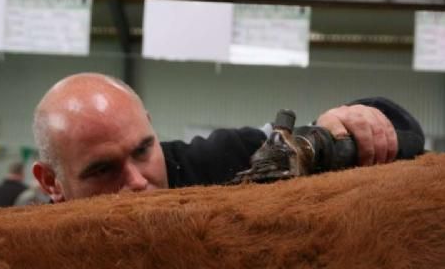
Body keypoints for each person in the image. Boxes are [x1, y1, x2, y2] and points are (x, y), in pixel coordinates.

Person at [32, 73, 424, 203]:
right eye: (102, 170)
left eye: (143, 149)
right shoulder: (25, 254)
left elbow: (405, 135)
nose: (137, 181)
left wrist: (330, 134)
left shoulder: (231, 160)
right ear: (51, 182)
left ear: (150, 126)